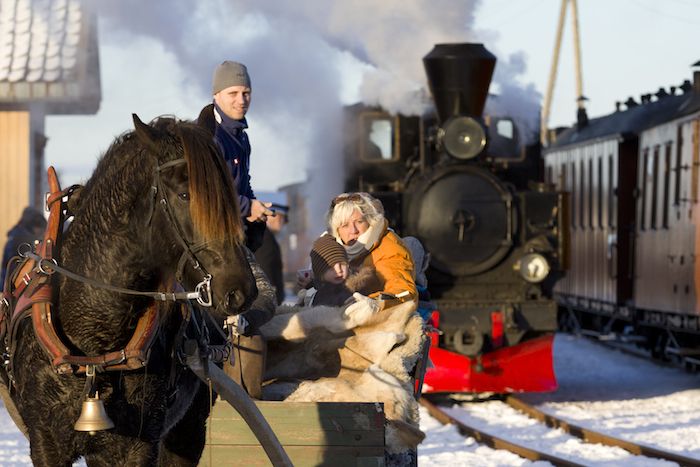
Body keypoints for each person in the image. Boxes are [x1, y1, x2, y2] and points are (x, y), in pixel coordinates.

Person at [197, 60, 273, 251]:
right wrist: (247, 207)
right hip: (207, 242)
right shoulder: (208, 136)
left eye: (246, 93)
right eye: (233, 93)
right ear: (216, 95)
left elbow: (243, 183)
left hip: (233, 235)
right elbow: (205, 193)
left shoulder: (242, 137)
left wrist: (257, 211)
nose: (241, 100)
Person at [326, 192, 417, 309]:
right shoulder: (332, 250)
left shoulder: (388, 247)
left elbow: (402, 292)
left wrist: (372, 303)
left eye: (359, 222)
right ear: (337, 231)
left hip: (379, 321)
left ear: (369, 221)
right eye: (345, 225)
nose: (353, 230)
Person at [1, 207, 46, 286]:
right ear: (34, 227)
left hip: (7, 281)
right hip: (11, 283)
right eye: (41, 229)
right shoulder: (21, 239)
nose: (42, 233)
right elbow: (16, 265)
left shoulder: (17, 234)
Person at [254, 205, 289, 305]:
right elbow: (265, 266)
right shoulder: (265, 237)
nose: (281, 221)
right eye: (278, 216)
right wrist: (270, 291)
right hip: (267, 296)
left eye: (283, 218)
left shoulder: (266, 236)